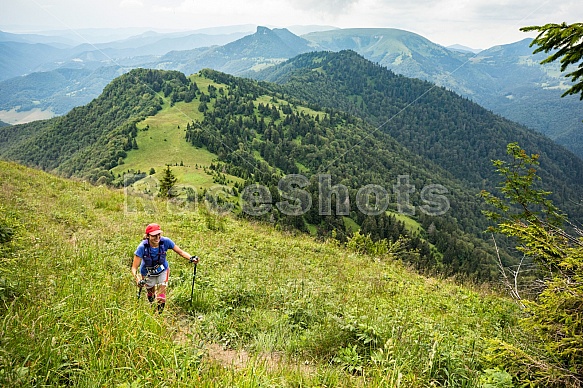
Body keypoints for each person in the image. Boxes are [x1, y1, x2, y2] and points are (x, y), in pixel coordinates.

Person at [131, 223, 198, 312]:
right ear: (147, 236)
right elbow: (134, 268)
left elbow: (180, 252)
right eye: (154, 235)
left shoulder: (166, 241)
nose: (157, 237)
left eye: (159, 234)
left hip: (163, 271)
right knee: (151, 294)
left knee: (161, 297)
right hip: (147, 274)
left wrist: (191, 258)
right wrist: (138, 279)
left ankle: (159, 316)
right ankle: (152, 308)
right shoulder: (142, 247)